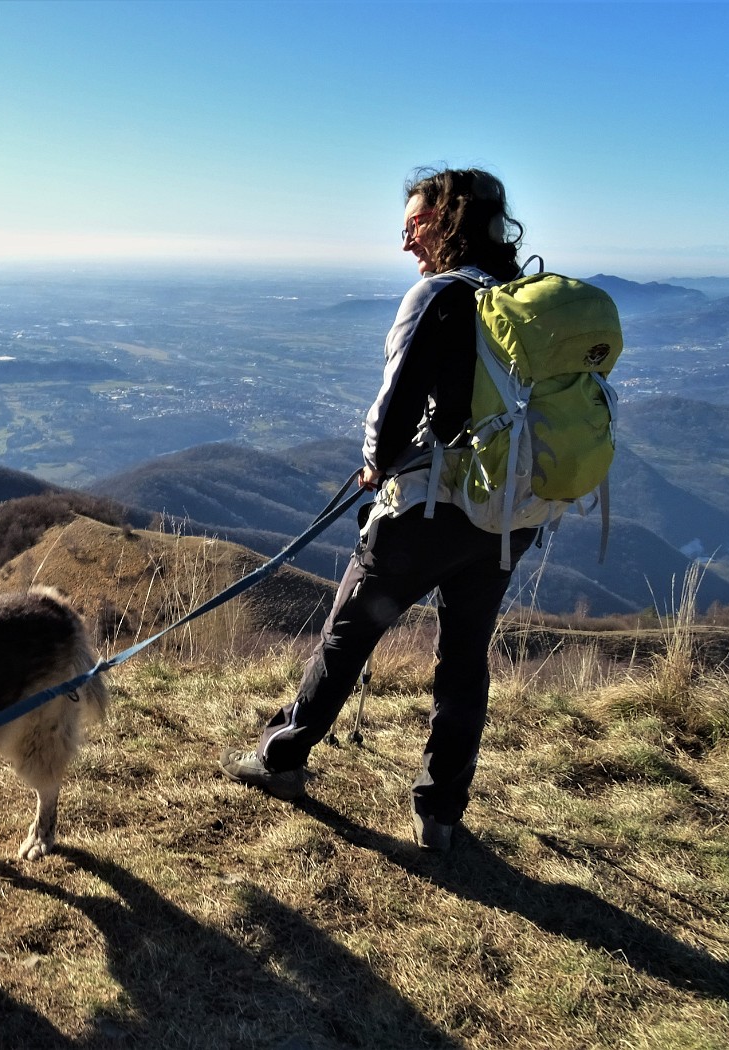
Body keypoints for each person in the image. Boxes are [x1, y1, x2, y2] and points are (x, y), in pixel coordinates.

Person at [220, 167, 538, 852]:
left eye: (415, 227)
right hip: (508, 513)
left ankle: (281, 761)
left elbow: (394, 410)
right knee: (464, 658)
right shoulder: (523, 301)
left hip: (429, 510)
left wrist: (376, 462)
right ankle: (442, 813)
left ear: (447, 221)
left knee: (348, 635)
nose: (406, 245)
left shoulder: (441, 297)